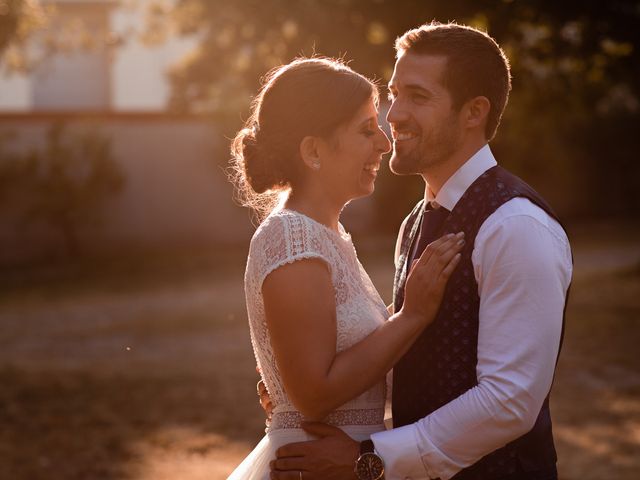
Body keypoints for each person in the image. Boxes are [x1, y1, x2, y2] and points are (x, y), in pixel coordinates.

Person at [270, 22, 573, 480]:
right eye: (394, 93)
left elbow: (509, 402)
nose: (393, 114)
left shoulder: (517, 228)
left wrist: (370, 459)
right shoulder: (416, 223)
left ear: (473, 112)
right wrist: (296, 392)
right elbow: (421, 371)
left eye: (418, 96)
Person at [227, 57, 465, 480]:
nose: (384, 143)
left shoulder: (327, 234)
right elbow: (315, 397)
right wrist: (410, 315)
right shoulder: (291, 239)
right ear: (313, 150)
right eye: (365, 129)